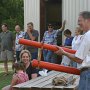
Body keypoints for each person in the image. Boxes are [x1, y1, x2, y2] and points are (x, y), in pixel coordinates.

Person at [55, 11, 90, 90]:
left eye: (80, 21)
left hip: (87, 74)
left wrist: (64, 52)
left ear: (87, 20)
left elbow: (79, 59)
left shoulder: (88, 35)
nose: (78, 23)